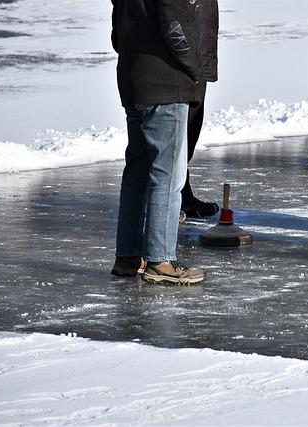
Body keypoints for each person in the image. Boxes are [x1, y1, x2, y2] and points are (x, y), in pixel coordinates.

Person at [110, 0, 205, 284]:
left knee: (137, 172)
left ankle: (128, 257)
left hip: (133, 81)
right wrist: (195, 70)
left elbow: (116, 37)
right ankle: (160, 260)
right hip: (166, 87)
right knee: (167, 176)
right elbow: (176, 29)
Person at [180, 0, 220, 222]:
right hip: (179, 66)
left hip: (197, 62)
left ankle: (182, 195)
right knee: (173, 140)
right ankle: (166, 201)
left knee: (189, 134)